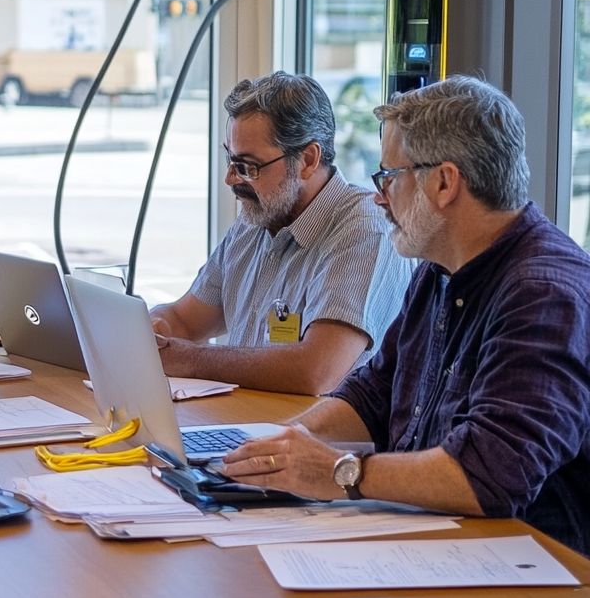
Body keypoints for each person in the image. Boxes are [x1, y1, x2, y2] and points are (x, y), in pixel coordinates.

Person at [221, 77, 590, 555]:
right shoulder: (439, 270)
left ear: (443, 182)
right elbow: (375, 391)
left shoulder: (543, 294)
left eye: (389, 177)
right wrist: (289, 442)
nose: (379, 197)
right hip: (437, 545)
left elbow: (491, 475)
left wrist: (337, 471)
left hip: (530, 575)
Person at [150, 72, 412, 395]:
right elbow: (185, 320)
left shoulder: (363, 229)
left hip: (314, 439)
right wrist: (151, 331)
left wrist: (188, 359)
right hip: (245, 425)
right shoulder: (255, 218)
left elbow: (315, 371)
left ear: (308, 159)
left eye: (248, 166)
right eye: (230, 160)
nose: (231, 179)